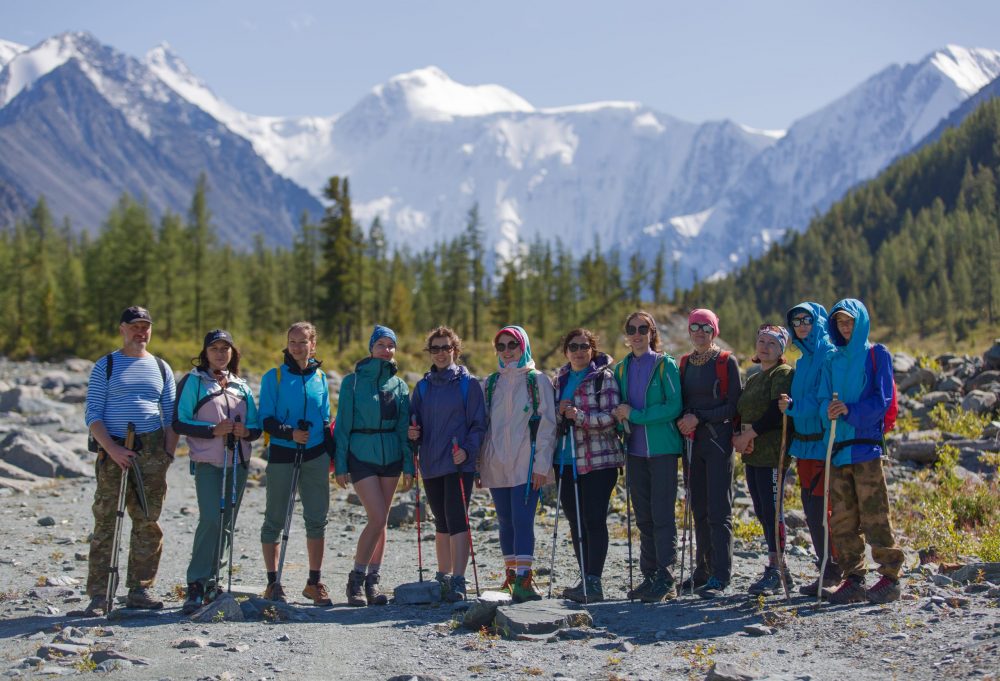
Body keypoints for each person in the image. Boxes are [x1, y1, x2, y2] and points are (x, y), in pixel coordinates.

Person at [83, 306, 178, 616]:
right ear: (122, 328)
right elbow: (93, 415)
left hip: (151, 450)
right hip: (113, 447)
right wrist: (112, 449)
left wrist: (167, 454)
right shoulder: (106, 365)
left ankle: (140, 589)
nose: (141, 331)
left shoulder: (162, 367)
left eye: (146, 326)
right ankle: (99, 595)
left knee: (148, 521)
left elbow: (171, 416)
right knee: (107, 520)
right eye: (135, 326)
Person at [818, 299, 904, 604]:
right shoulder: (832, 359)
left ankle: (890, 577)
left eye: (850, 321)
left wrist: (850, 411)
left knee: (875, 513)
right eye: (840, 322)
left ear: (861, 322)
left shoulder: (876, 354)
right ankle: (853, 577)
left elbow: (882, 400)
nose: (845, 327)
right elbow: (822, 399)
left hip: (865, 449)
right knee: (841, 517)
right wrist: (826, 409)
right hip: (838, 449)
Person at [173, 330, 261, 614]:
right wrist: (213, 431)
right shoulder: (194, 382)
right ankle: (197, 583)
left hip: (238, 463)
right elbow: (179, 422)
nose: (220, 353)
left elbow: (256, 428)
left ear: (233, 352)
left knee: (226, 523)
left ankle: (215, 580)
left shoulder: (241, 386)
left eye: (226, 348)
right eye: (215, 348)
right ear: (205, 352)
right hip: (209, 464)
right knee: (211, 518)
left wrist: (244, 431)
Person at [335, 325, 413, 607]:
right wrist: (340, 464)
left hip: (391, 456)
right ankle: (355, 579)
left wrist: (409, 465)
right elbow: (342, 425)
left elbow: (404, 428)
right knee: (378, 518)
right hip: (361, 455)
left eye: (390, 345)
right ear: (371, 348)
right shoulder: (352, 383)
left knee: (381, 523)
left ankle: (373, 582)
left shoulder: (400, 385)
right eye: (380, 344)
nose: (386, 350)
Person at [259, 322, 335, 606]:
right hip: (282, 453)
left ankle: (314, 583)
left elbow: (326, 421)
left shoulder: (321, 378)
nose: (297, 347)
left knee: (317, 519)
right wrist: (289, 433)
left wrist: (335, 459)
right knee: (274, 519)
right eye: (293, 342)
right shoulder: (274, 377)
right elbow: (264, 418)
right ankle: (272, 583)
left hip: (315, 455)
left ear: (313, 344)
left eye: (303, 342)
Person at [479, 325, 557, 602]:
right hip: (496, 462)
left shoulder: (538, 381)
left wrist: (541, 466)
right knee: (505, 521)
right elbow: (483, 426)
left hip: (526, 463)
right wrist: (480, 464)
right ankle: (511, 579)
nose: (507, 351)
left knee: (523, 519)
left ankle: (525, 578)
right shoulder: (490, 384)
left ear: (523, 346)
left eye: (512, 345)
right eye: (501, 346)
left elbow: (548, 426)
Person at [408, 326, 487, 601]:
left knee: (457, 519)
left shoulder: (469, 384)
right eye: (435, 348)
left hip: (458, 463)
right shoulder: (423, 386)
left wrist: (467, 451)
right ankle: (443, 576)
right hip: (430, 462)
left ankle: (459, 579)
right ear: (430, 352)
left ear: (455, 350)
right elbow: (413, 420)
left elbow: (479, 424)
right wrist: (412, 433)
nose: (441, 353)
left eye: (446, 348)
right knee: (440, 520)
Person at [612, 312, 683, 603]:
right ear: (626, 335)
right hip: (635, 451)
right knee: (643, 516)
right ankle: (650, 575)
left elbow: (674, 406)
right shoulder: (620, 369)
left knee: (662, 514)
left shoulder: (665, 365)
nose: (637, 333)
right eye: (632, 329)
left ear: (652, 332)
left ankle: (666, 578)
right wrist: (620, 420)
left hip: (662, 449)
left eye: (643, 328)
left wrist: (636, 416)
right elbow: (619, 407)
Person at [552, 328, 623, 603]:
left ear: (592, 349)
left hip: (599, 460)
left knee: (594, 519)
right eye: (574, 346)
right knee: (575, 521)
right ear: (566, 351)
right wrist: (560, 415)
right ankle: (585, 579)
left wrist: (579, 416)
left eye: (584, 346)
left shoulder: (604, 378)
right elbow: (552, 421)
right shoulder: (559, 380)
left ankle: (594, 581)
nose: (579, 351)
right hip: (565, 460)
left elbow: (612, 417)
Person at [676, 308, 742, 599]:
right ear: (689, 332)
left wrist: (698, 417)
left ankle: (721, 574)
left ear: (714, 330)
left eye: (706, 326)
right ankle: (702, 570)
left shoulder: (726, 362)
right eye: (695, 327)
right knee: (698, 509)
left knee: (719, 510)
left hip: (717, 443)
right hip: (693, 445)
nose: (700, 331)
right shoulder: (685, 363)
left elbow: (733, 407)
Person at [779, 302, 842, 597]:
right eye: (796, 322)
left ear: (818, 320)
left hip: (822, 442)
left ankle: (834, 571)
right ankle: (826, 568)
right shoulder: (803, 361)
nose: (801, 325)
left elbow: (822, 404)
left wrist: (792, 408)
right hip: (804, 444)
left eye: (806, 319)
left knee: (820, 509)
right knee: (811, 507)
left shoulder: (828, 355)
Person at [732, 324, 795, 596]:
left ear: (781, 348)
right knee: (761, 509)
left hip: (773, 453)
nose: (764, 346)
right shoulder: (756, 376)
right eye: (761, 341)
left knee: (773, 510)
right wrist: (741, 437)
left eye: (771, 342)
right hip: (753, 454)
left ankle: (777, 567)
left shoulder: (782, 374)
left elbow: (774, 412)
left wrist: (749, 435)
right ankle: (779, 568)